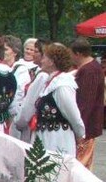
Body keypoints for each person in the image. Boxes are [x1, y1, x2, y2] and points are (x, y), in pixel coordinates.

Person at [15, 43, 85, 156]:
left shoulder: (62, 85)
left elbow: (74, 116)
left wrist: (80, 134)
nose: (41, 60)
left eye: (44, 57)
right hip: (45, 138)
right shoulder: (49, 82)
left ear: (52, 61)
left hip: (57, 140)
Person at [70, 37, 104, 169]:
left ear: (78, 53)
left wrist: (80, 129)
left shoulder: (89, 71)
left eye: (71, 54)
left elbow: (86, 102)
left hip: (87, 127)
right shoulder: (92, 67)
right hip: (88, 125)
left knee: (81, 165)